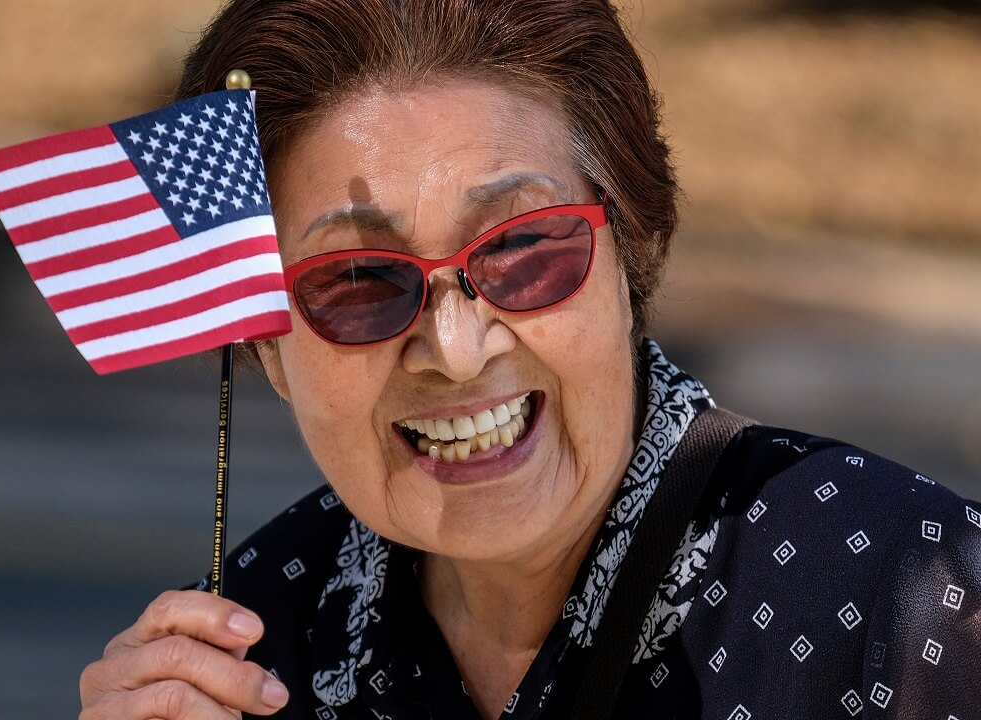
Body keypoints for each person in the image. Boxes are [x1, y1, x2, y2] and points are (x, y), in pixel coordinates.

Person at [77, 1, 981, 718]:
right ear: (268, 347)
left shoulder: (916, 600)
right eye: (358, 281)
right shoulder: (244, 659)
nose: (457, 352)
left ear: (632, 250)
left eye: (523, 250)